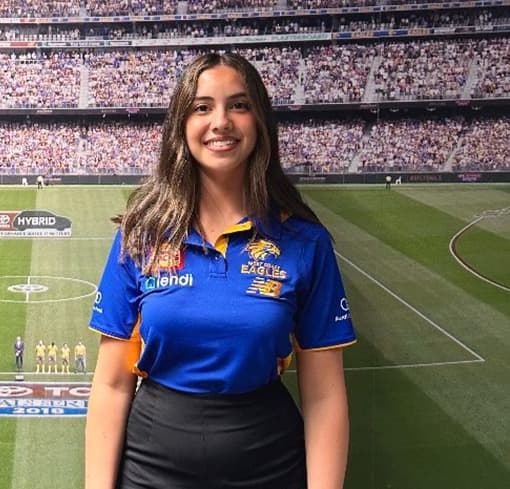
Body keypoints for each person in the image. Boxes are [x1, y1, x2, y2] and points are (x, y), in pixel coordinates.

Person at [84, 52, 356, 489]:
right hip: (152, 467)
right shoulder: (141, 235)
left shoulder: (305, 242)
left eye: (239, 105)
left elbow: (324, 396)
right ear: (181, 124)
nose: (221, 122)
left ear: (260, 122)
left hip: (269, 465)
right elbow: (112, 385)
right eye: (202, 107)